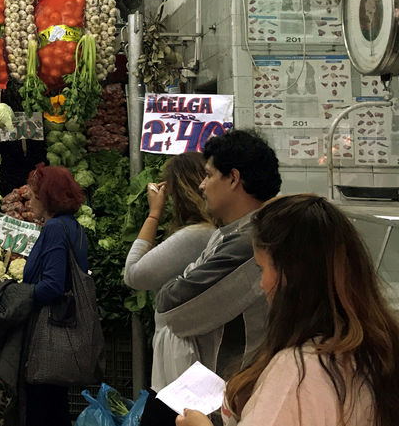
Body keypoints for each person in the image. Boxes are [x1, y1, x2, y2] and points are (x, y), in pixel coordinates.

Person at [176, 194, 399, 426]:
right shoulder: (380, 350)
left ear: (289, 276)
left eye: (261, 268)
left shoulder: (298, 371)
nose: (262, 284)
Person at [156, 130, 281, 385]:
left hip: (233, 389)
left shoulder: (251, 243)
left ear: (233, 178)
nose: (201, 185)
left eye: (209, 175)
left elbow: (171, 307)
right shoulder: (230, 233)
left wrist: (185, 277)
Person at [124, 152, 215, 390]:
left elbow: (134, 274)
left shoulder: (196, 235)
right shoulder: (213, 232)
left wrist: (154, 213)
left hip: (182, 356)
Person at [22, 163, 90, 426]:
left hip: (47, 331)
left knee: (41, 405)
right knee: (55, 405)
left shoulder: (54, 229)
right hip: (64, 330)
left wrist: (18, 294)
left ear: (47, 197)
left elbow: (52, 285)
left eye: (35, 192)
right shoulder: (74, 227)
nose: (29, 197)